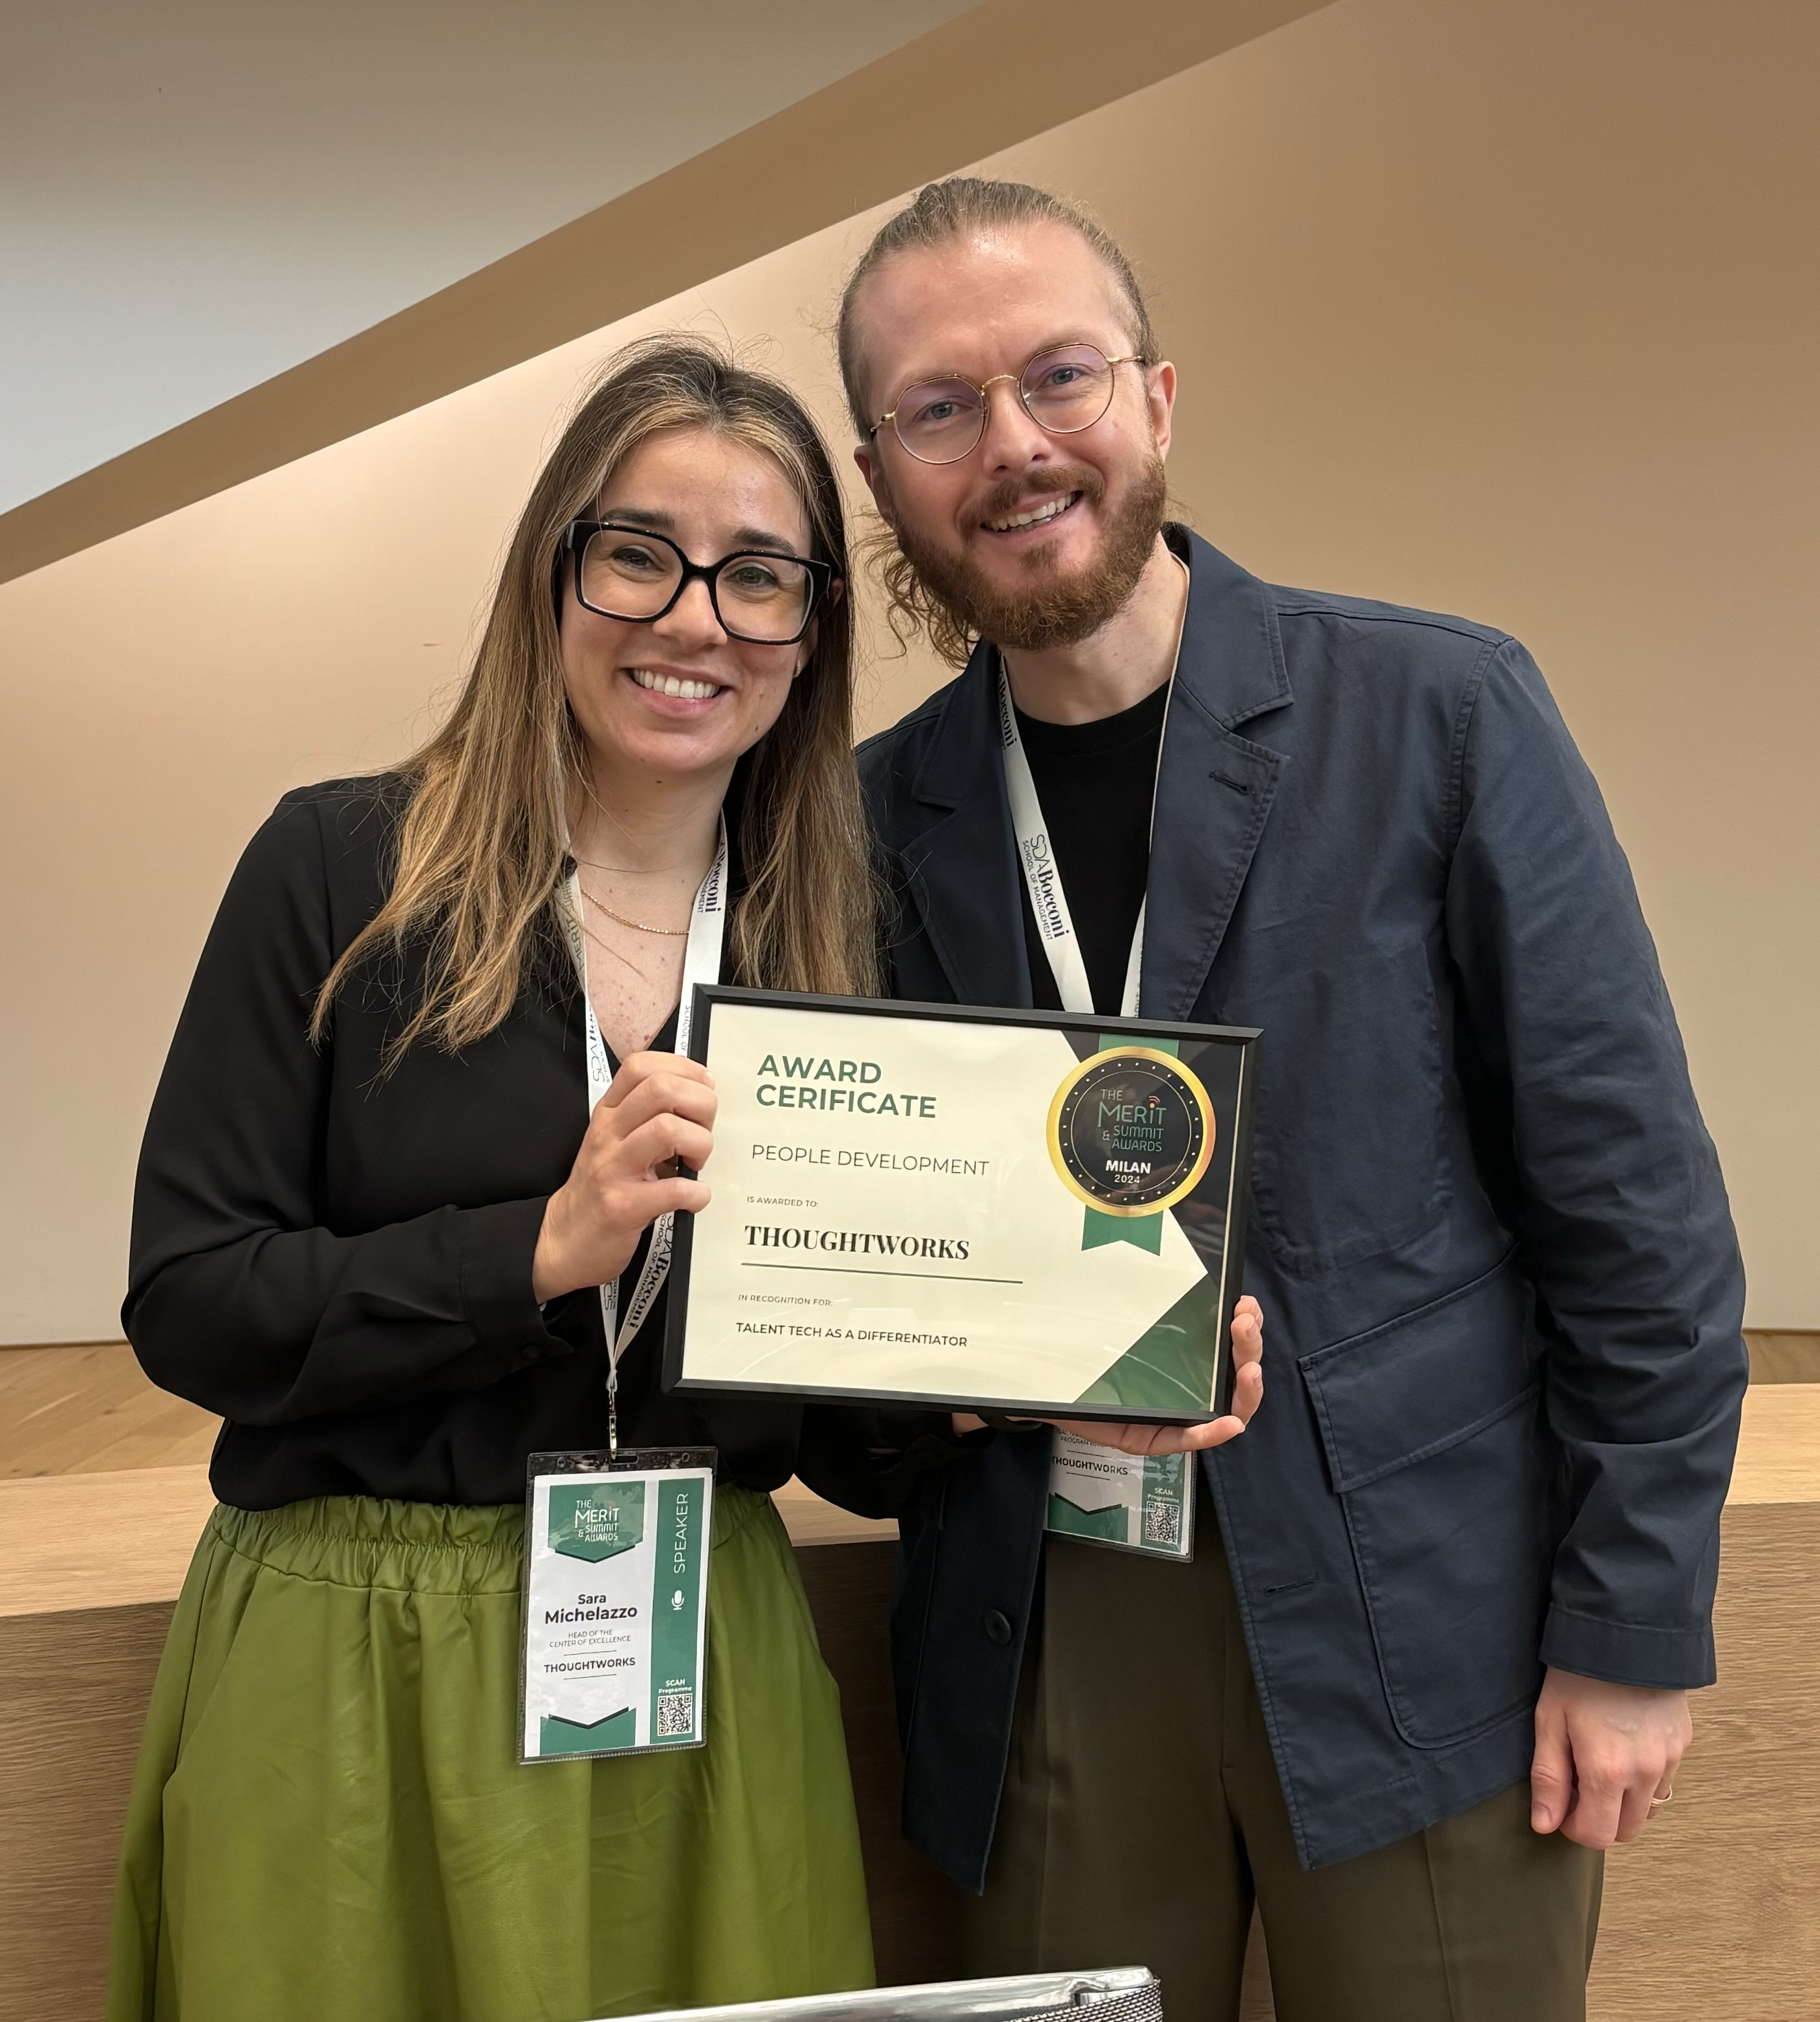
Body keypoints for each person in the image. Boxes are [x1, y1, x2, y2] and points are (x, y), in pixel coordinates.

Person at [837, 178, 1748, 2022]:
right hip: (1043, 1625)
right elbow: (835, 1350)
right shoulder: (858, 828)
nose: (1011, 448)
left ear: (1160, 401)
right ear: (882, 479)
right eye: (939, 409)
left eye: (1058, 378)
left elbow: (1637, 1219)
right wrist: (908, 1372)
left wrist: (1636, 1631)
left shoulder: (1443, 714)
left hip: (1424, 1626)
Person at [109, 337, 882, 2022]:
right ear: (553, 576)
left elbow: (853, 1429)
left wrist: (1035, 1376)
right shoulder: (337, 872)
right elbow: (188, 1302)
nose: (695, 619)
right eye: (639, 555)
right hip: (355, 1671)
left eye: (759, 578)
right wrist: (532, 1250)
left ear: (813, 631)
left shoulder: (836, 957)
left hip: (700, 1662)